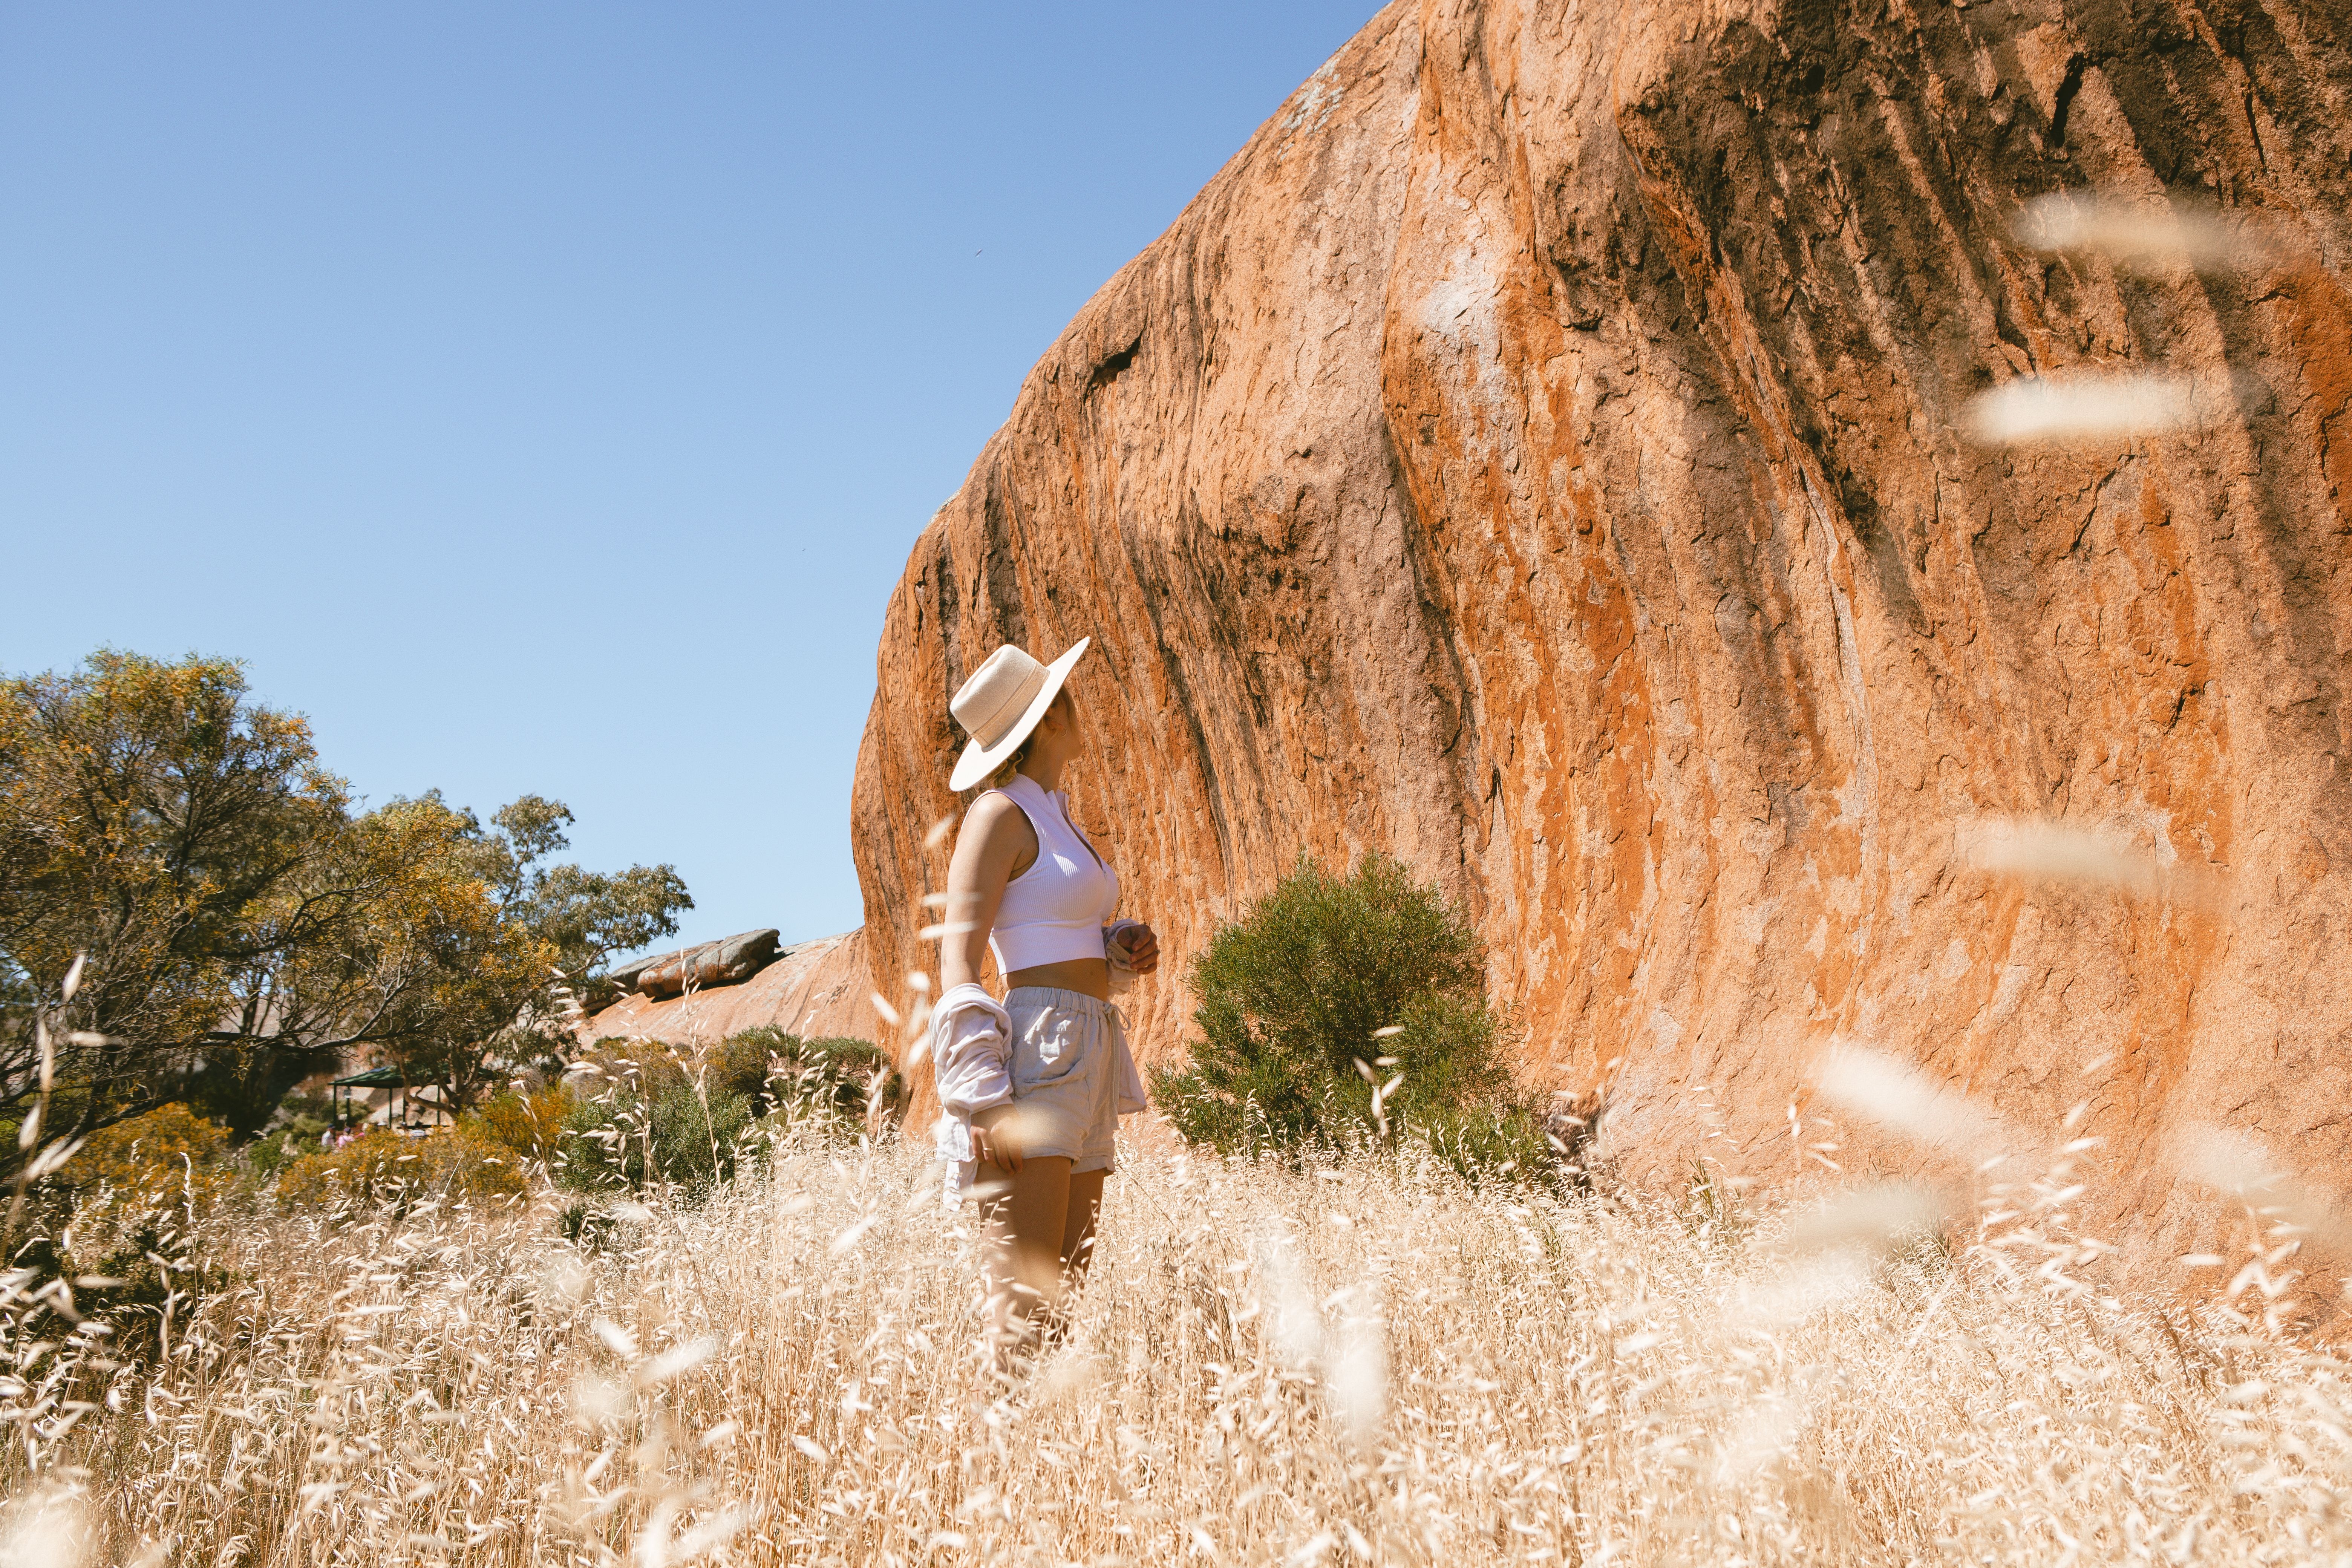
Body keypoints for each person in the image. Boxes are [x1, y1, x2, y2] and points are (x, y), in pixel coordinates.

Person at [927, 638, 1159, 1371]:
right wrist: (983, 1098)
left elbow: (1057, 930)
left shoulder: (1061, 819)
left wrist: (1119, 943)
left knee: (1063, 1298)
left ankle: (1034, 1473)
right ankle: (985, 1467)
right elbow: (958, 955)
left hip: (1091, 1043)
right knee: (1024, 1307)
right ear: (1050, 714)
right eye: (1069, 693)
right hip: (1041, 1046)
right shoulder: (996, 813)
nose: (1081, 703)